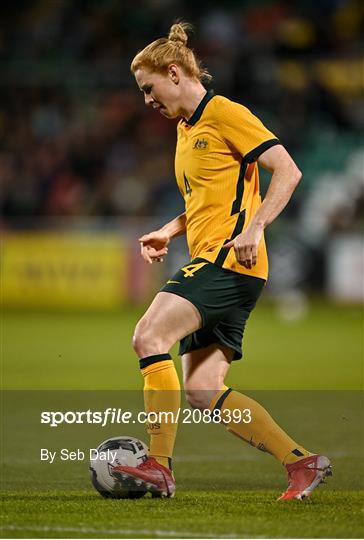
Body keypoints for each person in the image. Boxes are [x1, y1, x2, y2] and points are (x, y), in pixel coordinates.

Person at [112, 21, 331, 500]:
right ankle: (302, 463)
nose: (147, 100)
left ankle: (159, 465)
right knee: (204, 390)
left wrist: (255, 227)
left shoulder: (224, 113)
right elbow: (205, 204)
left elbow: (288, 170)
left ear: (173, 72)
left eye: (149, 89)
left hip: (227, 263)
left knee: (149, 335)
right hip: (228, 266)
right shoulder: (187, 129)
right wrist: (168, 231)